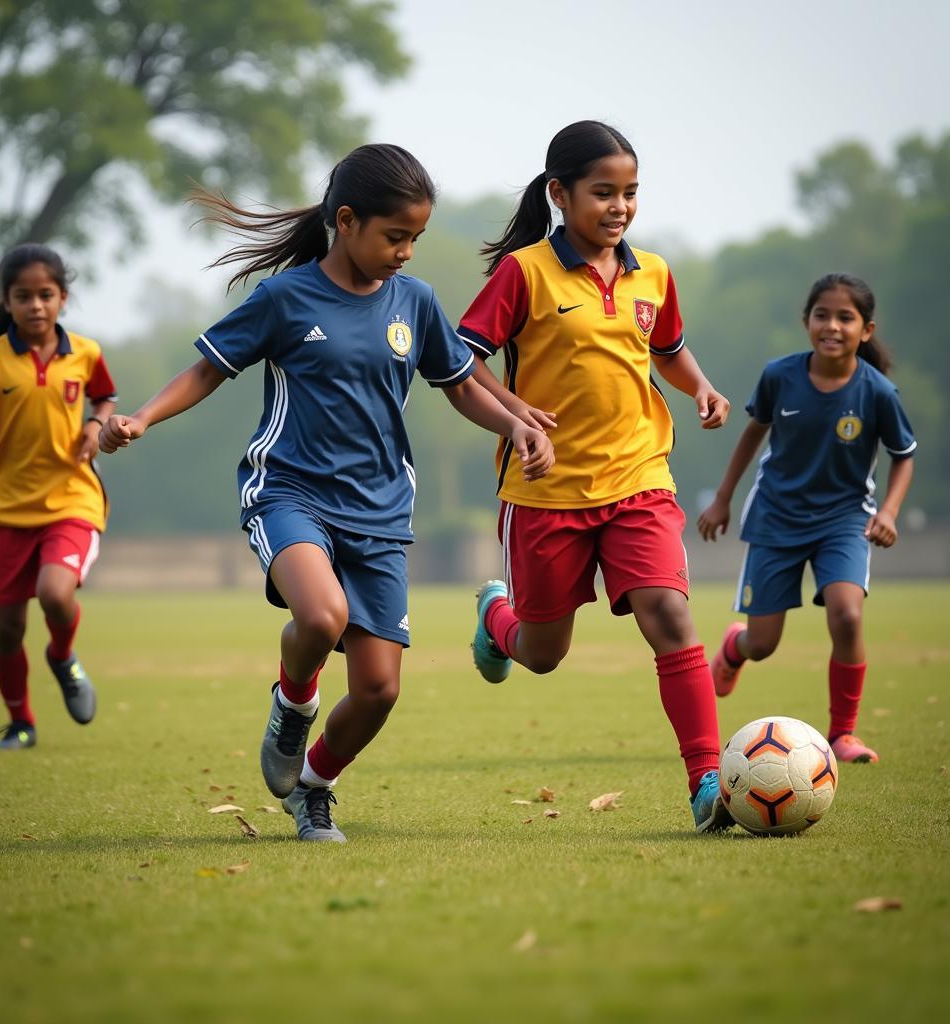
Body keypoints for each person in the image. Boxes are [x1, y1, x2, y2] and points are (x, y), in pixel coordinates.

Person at [98, 143, 554, 844]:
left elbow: (461, 383)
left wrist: (515, 423)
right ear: (346, 221)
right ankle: (293, 701)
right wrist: (142, 418)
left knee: (379, 690)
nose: (407, 252)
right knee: (320, 616)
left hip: (379, 510)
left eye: (416, 238)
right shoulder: (285, 298)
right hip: (287, 492)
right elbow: (208, 370)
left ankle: (313, 788)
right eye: (395, 236)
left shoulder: (417, 302)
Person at [459, 120, 734, 832]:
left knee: (669, 615)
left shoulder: (655, 273)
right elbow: (461, 362)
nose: (619, 207)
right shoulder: (524, 273)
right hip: (546, 492)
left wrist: (698, 386)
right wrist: (516, 415)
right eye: (603, 192)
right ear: (559, 193)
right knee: (544, 653)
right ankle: (498, 614)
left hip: (640, 475)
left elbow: (667, 347)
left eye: (631, 193)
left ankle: (708, 784)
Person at [696, 273, 915, 764]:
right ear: (806, 321)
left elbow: (904, 454)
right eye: (822, 315)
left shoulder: (879, 392)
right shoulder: (781, 376)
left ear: (866, 329)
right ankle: (736, 647)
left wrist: (891, 512)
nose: (832, 325)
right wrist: (723, 497)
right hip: (777, 518)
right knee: (764, 642)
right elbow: (754, 432)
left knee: (847, 614)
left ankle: (843, 733)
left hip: (843, 521)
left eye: (846, 317)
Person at [0, 244, 117, 750]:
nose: (36, 305)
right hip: (5, 513)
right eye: (24, 296)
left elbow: (105, 397)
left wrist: (95, 423)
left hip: (71, 499)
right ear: (8, 300)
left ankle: (62, 656)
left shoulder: (85, 353)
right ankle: (21, 722)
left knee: (55, 593)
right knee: (5, 630)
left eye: (46, 295)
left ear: (63, 298)